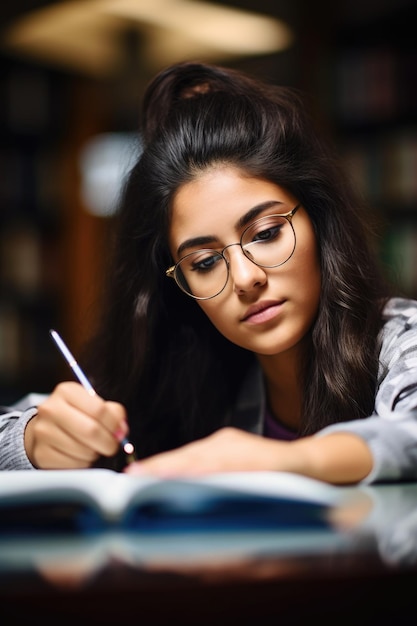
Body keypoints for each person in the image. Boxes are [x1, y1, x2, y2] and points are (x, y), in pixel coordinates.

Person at [1, 61, 417, 484]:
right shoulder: (184, 369)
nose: (244, 278)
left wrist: (289, 461)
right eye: (204, 262)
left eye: (267, 233)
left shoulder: (401, 339)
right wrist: (33, 439)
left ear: (320, 220)